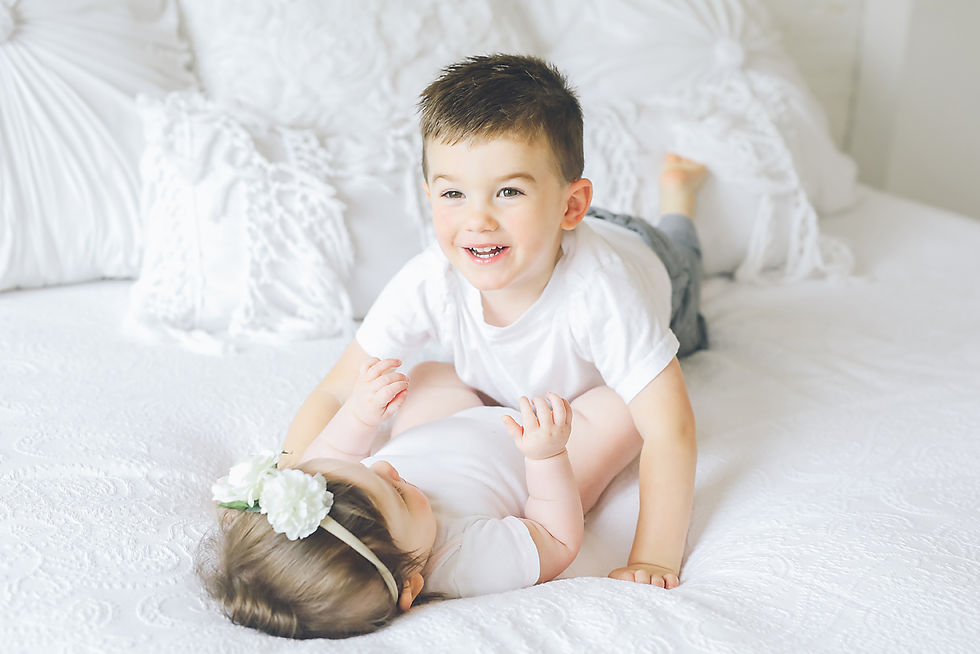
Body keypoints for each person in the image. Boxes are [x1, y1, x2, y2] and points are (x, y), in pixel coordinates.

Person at [280, 53, 709, 589]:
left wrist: (655, 557)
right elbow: (337, 389)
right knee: (426, 377)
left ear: (570, 206)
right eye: (453, 194)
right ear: (430, 195)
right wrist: (286, 487)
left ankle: (679, 201)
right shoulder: (432, 277)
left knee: (685, 257)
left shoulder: (604, 293)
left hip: (647, 256)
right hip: (541, 248)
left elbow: (670, 428)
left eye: (509, 192)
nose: (477, 220)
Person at [200, 358, 591, 639]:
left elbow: (333, 452)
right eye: (399, 496)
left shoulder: (335, 499)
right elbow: (555, 538)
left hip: (435, 430)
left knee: (429, 374)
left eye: (369, 468)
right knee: (609, 415)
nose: (386, 468)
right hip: (528, 457)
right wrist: (547, 457)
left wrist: (360, 414)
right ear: (411, 587)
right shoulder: (465, 563)